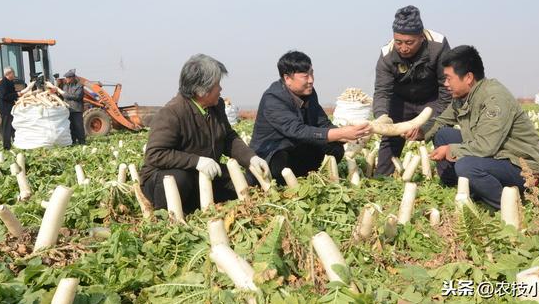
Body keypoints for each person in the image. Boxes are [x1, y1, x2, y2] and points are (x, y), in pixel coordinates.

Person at [404, 45, 539, 209]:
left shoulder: (495, 98)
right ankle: (465, 187)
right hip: (496, 156)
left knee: (467, 166)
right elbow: (441, 121)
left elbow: (486, 147)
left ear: (468, 77)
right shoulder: (463, 97)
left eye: (449, 78)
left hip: (520, 166)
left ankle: (508, 206)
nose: (445, 83)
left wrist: (450, 150)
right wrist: (420, 132)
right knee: (443, 134)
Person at [140, 54, 270, 215]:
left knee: (245, 182)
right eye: (217, 85)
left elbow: (228, 137)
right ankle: (170, 217)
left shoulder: (217, 106)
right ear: (201, 90)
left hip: (202, 174)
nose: (221, 89)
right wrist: (197, 161)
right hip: (165, 178)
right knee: (180, 179)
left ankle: (200, 206)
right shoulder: (171, 113)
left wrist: (251, 158)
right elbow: (156, 154)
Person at [249, 51, 371, 186]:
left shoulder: (309, 94)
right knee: (280, 163)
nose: (311, 80)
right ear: (287, 78)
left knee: (334, 148)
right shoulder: (273, 99)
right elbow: (298, 131)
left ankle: (308, 176)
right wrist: (341, 133)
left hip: (295, 147)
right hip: (272, 153)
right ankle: (283, 184)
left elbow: (322, 122)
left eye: (312, 73)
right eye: (305, 76)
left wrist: (349, 135)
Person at [373, 5, 451, 176]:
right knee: (389, 138)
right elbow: (382, 92)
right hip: (400, 101)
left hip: (433, 100)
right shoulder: (387, 55)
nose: (403, 48)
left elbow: (447, 90)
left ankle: (448, 179)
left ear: (421, 37)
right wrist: (381, 117)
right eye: (399, 42)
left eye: (409, 42)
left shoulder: (438, 46)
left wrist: (428, 126)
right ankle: (382, 180)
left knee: (442, 132)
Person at [0, 67, 21, 150]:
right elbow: (4, 96)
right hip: (5, 108)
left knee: (12, 127)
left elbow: (12, 93)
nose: (14, 75)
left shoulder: (10, 82)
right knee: (6, 127)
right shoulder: (2, 84)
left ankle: (15, 143)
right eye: (13, 73)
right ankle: (6, 147)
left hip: (10, 108)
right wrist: (17, 94)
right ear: (9, 74)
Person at [60, 69, 86, 145]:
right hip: (68, 110)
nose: (66, 79)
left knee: (78, 126)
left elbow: (77, 96)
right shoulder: (65, 86)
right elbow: (63, 96)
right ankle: (73, 142)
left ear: (72, 78)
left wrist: (65, 95)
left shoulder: (79, 86)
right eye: (66, 78)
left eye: (67, 78)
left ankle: (82, 142)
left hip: (76, 109)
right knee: (71, 127)